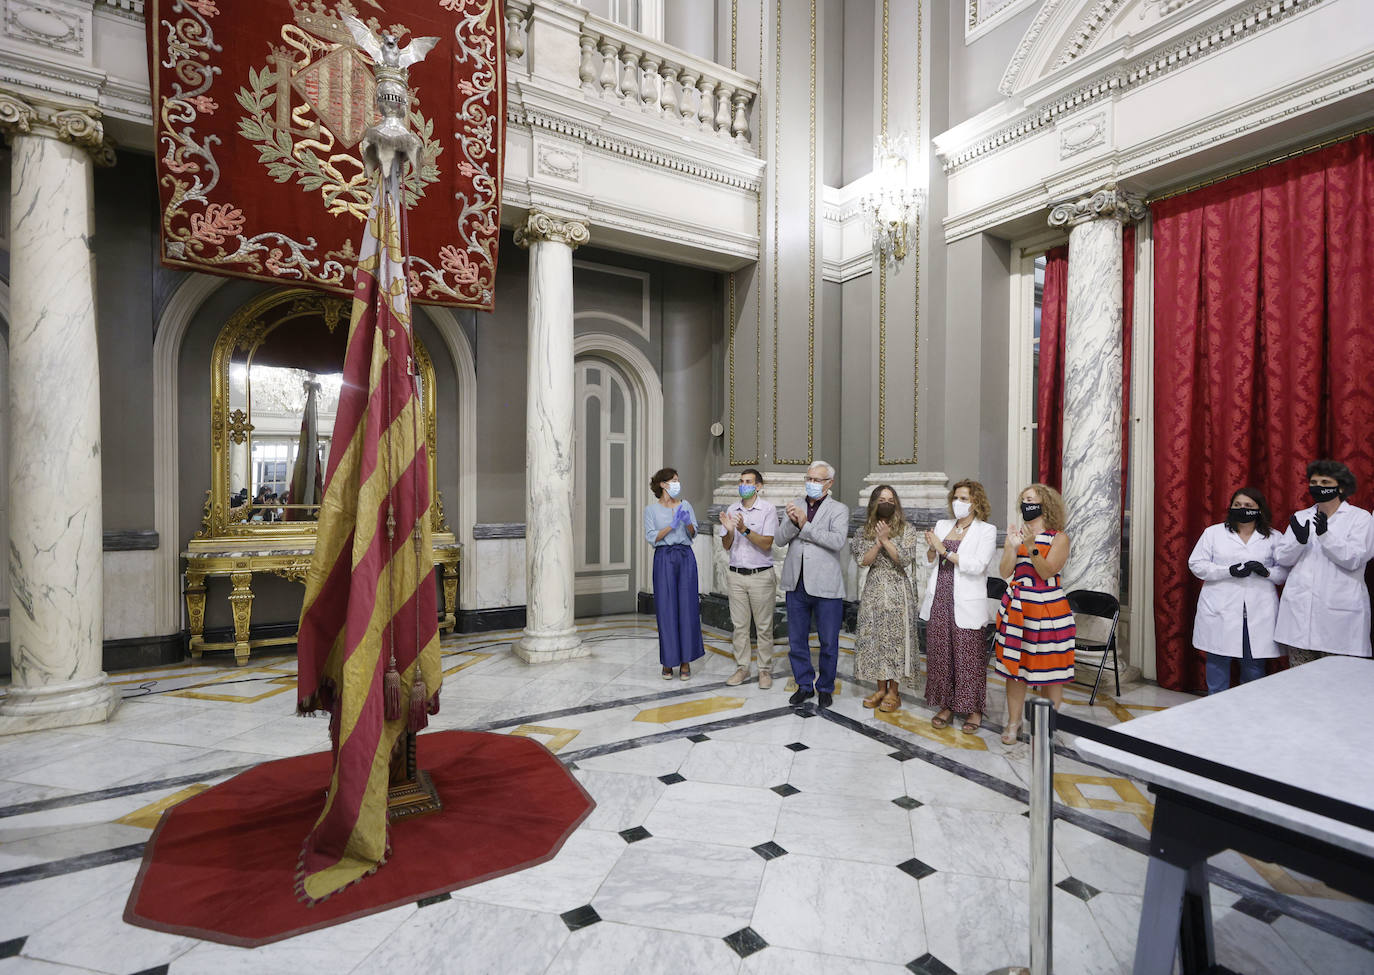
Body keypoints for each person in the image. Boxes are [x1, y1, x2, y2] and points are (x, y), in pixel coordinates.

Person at [993, 483, 1075, 745]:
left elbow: (1047, 571)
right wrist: (1010, 547)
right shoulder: (1018, 535)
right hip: (1019, 608)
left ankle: (1047, 726)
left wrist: (1031, 547)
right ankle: (1013, 723)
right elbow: (1005, 572)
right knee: (1015, 670)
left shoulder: (1058, 538)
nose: (1026, 503)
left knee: (1052, 671)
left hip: (1049, 609)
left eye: (1031, 499)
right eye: (1023, 500)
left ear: (1044, 504)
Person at [1188, 487, 1289, 694]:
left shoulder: (1274, 537)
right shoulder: (1214, 533)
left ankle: (1249, 714)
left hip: (1258, 612)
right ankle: (1215, 710)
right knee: (1217, 664)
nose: (1242, 509)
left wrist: (1266, 572)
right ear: (1231, 507)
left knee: (1253, 668)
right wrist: (1228, 571)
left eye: (1248, 506)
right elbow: (1196, 564)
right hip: (1220, 610)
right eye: (1238, 505)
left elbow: (1285, 573)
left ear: (1259, 509)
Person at [1274, 460, 1373, 664]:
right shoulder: (1302, 517)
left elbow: (1355, 558)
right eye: (1314, 482)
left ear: (1341, 487)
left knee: (1336, 683)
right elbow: (1282, 558)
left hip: (1339, 617)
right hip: (1299, 614)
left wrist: (1326, 536)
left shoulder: (1359, 518)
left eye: (1325, 482)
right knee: (1299, 682)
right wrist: (1299, 542)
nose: (1318, 486)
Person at [919, 479, 998, 733]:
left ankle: (973, 709)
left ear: (976, 502)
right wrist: (932, 551)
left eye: (964, 499)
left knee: (969, 656)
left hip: (966, 600)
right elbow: (930, 562)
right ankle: (947, 704)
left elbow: (978, 565)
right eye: (956, 498)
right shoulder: (943, 525)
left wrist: (943, 551)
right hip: (940, 596)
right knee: (941, 654)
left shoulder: (986, 530)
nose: (958, 503)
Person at [775, 460, 850, 709]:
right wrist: (790, 521)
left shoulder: (839, 509)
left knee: (828, 641)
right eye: (809, 478)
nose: (812, 484)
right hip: (796, 583)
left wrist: (804, 525)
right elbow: (779, 539)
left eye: (817, 480)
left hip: (826, 585)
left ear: (829, 483)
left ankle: (826, 687)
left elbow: (836, 541)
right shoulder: (795, 504)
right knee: (797, 640)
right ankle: (804, 685)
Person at [850, 485, 920, 713]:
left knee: (897, 639)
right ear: (874, 503)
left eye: (891, 499)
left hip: (898, 588)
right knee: (876, 638)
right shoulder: (863, 531)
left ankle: (894, 692)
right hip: (874, 589)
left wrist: (887, 540)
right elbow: (863, 560)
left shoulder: (907, 529)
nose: (887, 503)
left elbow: (905, 559)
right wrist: (878, 541)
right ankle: (880, 688)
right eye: (882, 499)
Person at [643, 467, 706, 679]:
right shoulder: (650, 511)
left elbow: (693, 532)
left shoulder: (685, 504)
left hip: (685, 557)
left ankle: (686, 661)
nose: (677, 484)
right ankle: (669, 661)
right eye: (673, 480)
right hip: (664, 558)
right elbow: (653, 537)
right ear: (662, 484)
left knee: (687, 608)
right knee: (666, 609)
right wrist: (671, 525)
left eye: (678, 480)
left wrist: (687, 522)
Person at [718, 468, 779, 688]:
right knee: (740, 626)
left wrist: (743, 529)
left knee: (763, 627)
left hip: (760, 576)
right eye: (741, 481)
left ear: (758, 486)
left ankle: (764, 670)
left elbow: (767, 543)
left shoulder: (768, 510)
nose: (743, 485)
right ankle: (742, 668)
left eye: (748, 481)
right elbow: (726, 546)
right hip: (736, 575)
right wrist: (730, 531)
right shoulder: (732, 509)